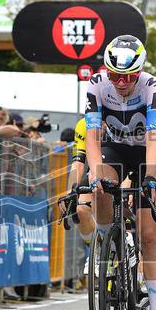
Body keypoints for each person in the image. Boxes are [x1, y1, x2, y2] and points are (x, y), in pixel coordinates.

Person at [85, 34, 156, 310]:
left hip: (149, 152)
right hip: (115, 149)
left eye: (128, 76)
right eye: (115, 75)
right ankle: (108, 242)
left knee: (148, 233)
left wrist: (149, 178)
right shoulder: (96, 84)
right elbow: (92, 137)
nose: (120, 82)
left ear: (139, 71)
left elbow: (154, 137)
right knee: (99, 189)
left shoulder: (151, 86)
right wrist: (95, 176)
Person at [57, 117, 95, 274]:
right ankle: (96, 250)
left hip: (126, 167)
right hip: (96, 170)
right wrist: (69, 192)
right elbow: (78, 163)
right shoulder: (84, 124)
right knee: (80, 210)